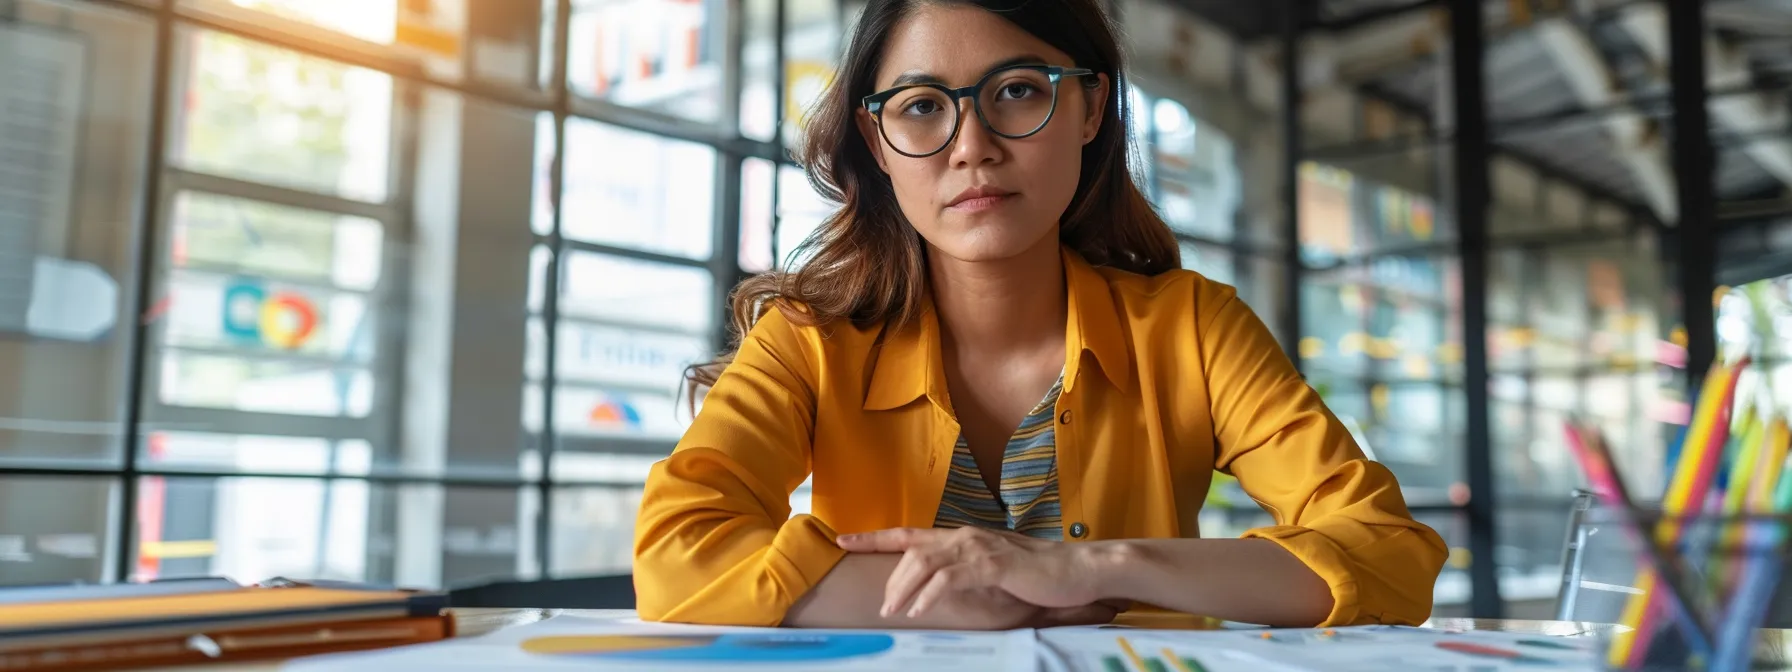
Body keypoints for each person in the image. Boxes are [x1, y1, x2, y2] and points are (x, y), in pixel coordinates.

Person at [633, 0, 1446, 630]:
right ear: (876, 143)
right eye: (921, 106)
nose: (971, 146)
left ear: (1091, 109)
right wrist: (962, 597)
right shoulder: (809, 343)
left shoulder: (1192, 329)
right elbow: (675, 556)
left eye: (1018, 92)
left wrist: (1094, 569)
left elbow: (1386, 554)